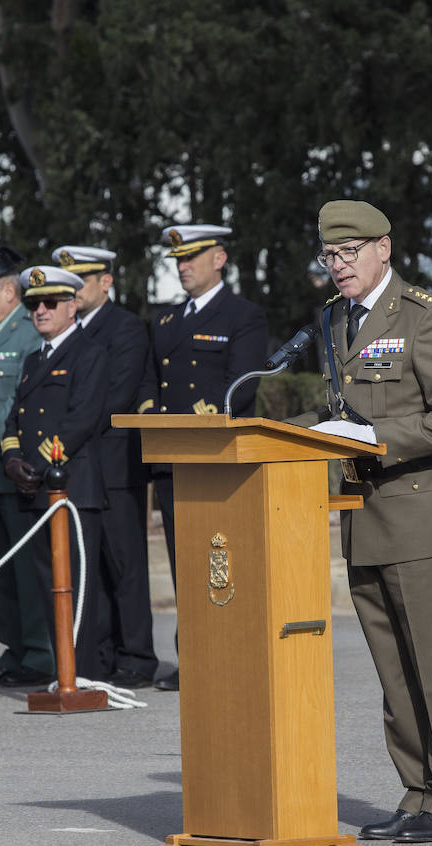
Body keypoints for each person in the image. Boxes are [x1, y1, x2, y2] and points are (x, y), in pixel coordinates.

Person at [288, 200, 432, 843]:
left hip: (419, 520)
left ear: (384, 248)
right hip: (362, 519)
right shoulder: (333, 319)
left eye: (350, 252)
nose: (339, 265)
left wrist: (374, 436)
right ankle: (417, 791)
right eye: (330, 255)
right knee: (394, 672)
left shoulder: (425, 317)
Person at [138, 224, 268, 690]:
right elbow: (150, 380)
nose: (182, 266)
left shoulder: (243, 315)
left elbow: (245, 381)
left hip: (216, 457)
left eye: (192, 257)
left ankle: (230, 654)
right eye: (178, 259)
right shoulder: (167, 320)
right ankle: (191, 656)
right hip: (175, 459)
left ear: (220, 259)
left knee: (223, 560)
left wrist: (206, 420)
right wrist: (153, 416)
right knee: (183, 562)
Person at [52, 245, 157, 688]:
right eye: (69, 284)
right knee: (87, 566)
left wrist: (66, 430)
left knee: (125, 564)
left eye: (82, 282)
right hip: (79, 465)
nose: (74, 291)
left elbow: (112, 397)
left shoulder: (126, 328)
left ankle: (136, 658)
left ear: (106, 282)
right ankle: (98, 655)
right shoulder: (69, 332)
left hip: (114, 465)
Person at [1, 265, 108, 681]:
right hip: (34, 489)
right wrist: (12, 461)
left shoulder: (90, 352)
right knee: (50, 588)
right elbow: (15, 419)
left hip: (72, 488)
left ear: (72, 305)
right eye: (33, 304)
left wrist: (39, 465)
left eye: (49, 303)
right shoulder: (32, 359)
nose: (40, 310)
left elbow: (82, 420)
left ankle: (84, 674)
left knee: (77, 588)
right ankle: (63, 671)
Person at [0, 248, 54, 687]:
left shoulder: (28, 334)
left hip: (10, 468)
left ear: (9, 291)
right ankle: (15, 647)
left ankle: (41, 653)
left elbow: (13, 407)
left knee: (25, 568)